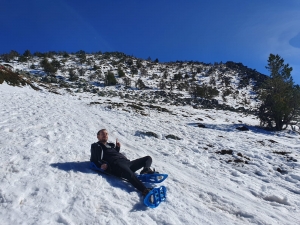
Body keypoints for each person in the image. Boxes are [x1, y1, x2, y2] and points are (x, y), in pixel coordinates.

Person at [90, 129, 157, 197]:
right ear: (98, 136)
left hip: (127, 163)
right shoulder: (96, 146)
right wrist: (102, 164)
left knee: (148, 158)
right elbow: (94, 159)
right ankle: (145, 190)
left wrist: (117, 148)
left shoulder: (110, 145)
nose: (105, 135)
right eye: (103, 134)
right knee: (129, 174)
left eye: (106, 134)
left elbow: (112, 154)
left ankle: (145, 170)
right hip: (117, 165)